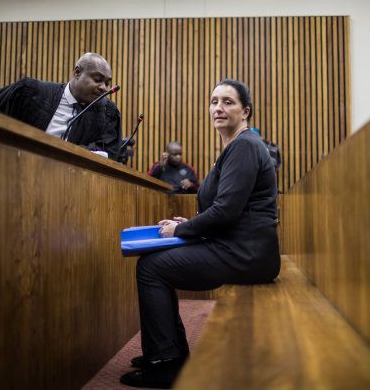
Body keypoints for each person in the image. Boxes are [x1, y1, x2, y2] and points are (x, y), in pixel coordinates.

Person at [120, 79, 280, 388]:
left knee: (152, 268)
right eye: (214, 101)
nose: (218, 108)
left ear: (245, 112)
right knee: (156, 261)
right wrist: (189, 226)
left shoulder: (245, 146)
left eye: (228, 102)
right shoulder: (235, 146)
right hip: (236, 246)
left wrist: (180, 230)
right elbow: (223, 209)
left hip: (246, 254)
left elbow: (225, 212)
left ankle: (166, 363)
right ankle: (169, 354)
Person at [0, 53, 121, 159]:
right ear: (77, 72)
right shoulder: (32, 92)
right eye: (97, 80)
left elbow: (108, 153)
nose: (104, 88)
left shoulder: (108, 113)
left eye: (107, 83)